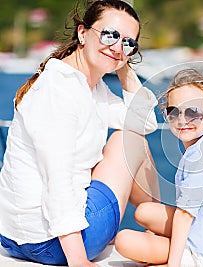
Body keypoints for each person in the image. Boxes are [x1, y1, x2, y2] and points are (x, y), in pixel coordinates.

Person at [0, 0, 160, 266]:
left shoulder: (89, 86)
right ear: (83, 33)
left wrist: (124, 68)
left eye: (129, 43)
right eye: (110, 35)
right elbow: (58, 180)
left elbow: (144, 122)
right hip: (50, 244)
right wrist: (79, 261)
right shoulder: (61, 92)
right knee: (127, 140)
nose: (118, 47)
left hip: (13, 236)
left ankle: (159, 225)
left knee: (130, 134)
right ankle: (160, 227)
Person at [115, 68, 203, 267]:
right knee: (144, 211)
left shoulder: (202, 156)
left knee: (124, 240)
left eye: (193, 112)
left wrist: (173, 263)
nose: (182, 119)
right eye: (174, 112)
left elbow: (185, 216)